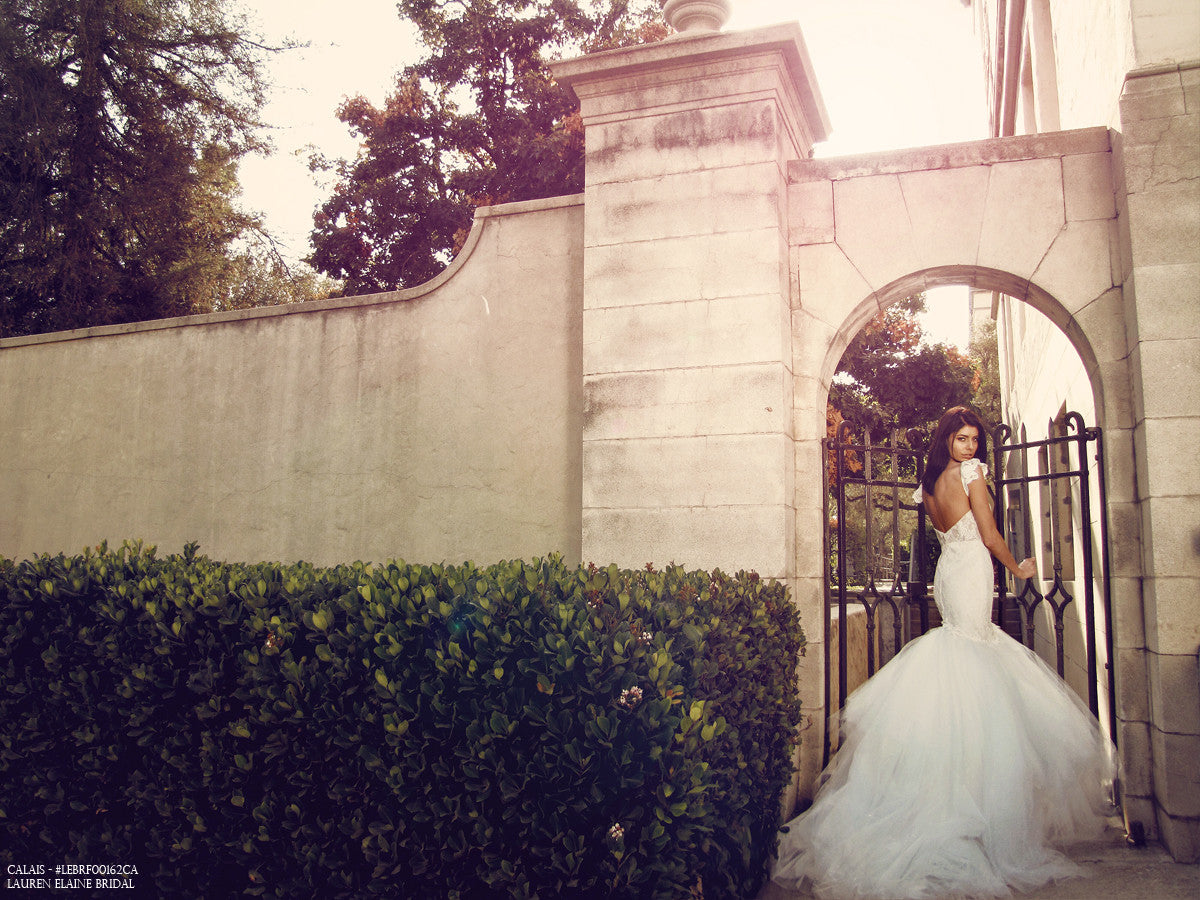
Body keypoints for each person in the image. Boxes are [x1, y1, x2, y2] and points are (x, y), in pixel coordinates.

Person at [772, 406, 1117, 899]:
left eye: (975, 439)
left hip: (949, 573)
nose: (971, 446)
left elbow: (946, 531)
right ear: (947, 440)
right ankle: (972, 807)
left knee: (960, 649)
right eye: (962, 438)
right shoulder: (972, 474)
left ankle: (953, 791)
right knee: (975, 654)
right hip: (972, 569)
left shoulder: (929, 484)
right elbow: (991, 533)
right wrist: (1018, 570)